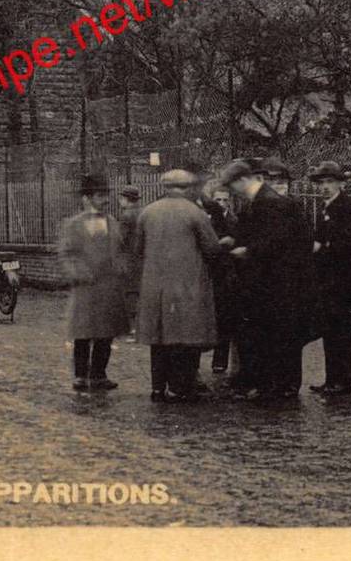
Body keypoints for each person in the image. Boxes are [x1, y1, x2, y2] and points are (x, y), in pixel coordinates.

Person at [220, 157, 315, 402]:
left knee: (281, 336)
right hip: (271, 283)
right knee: (272, 335)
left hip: (279, 284)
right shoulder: (259, 203)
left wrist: (247, 250)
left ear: (242, 180)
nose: (232, 194)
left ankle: (282, 387)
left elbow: (277, 242)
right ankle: (273, 385)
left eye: (232, 187)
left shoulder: (269, 204)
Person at [135, 170, 231, 403]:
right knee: (185, 338)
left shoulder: (147, 212)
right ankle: (181, 388)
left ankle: (158, 388)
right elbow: (211, 249)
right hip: (187, 286)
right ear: (187, 188)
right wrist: (225, 243)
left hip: (155, 287)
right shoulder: (195, 213)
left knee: (158, 340)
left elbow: (138, 249)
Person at [57, 174, 131, 392]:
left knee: (105, 334)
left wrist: (121, 266)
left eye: (106, 195)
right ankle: (80, 376)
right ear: (87, 198)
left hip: (109, 287)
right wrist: (78, 272)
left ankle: (99, 375)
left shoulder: (113, 223)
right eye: (100, 196)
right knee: (83, 334)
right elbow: (66, 254)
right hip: (86, 288)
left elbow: (121, 250)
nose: (106, 200)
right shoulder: (72, 225)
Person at [309, 161, 351, 397]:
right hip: (328, 283)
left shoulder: (349, 207)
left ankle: (343, 381)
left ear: (340, 183)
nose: (324, 187)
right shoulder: (326, 208)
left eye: (329, 182)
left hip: (345, 283)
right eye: (321, 183)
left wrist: (322, 249)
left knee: (343, 333)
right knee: (330, 331)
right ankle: (331, 379)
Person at [200, 180, 240, 377]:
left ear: (230, 202)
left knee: (224, 319)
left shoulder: (235, 221)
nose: (221, 203)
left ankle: (220, 361)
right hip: (208, 274)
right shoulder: (205, 221)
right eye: (218, 199)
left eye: (225, 200)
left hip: (226, 276)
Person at [115, 186, 143, 335]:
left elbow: (120, 239)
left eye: (121, 198)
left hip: (128, 259)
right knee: (140, 292)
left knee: (129, 293)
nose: (120, 201)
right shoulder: (144, 212)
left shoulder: (126, 216)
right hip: (143, 258)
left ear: (126, 199)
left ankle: (132, 327)